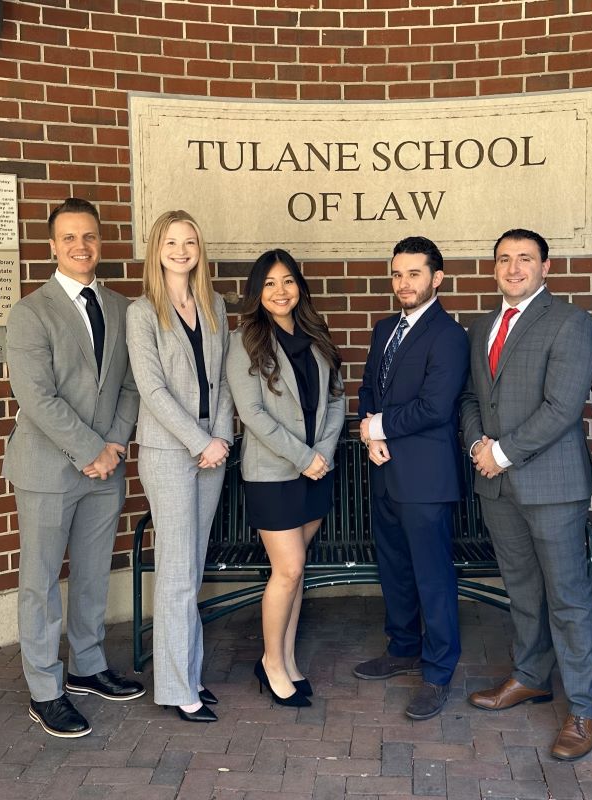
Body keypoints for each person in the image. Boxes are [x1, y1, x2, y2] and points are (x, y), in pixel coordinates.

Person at [3, 198, 144, 738]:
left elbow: (129, 385)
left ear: (100, 241)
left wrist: (112, 444)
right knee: (40, 581)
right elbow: (35, 396)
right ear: (52, 246)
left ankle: (87, 665)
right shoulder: (30, 311)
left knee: (91, 574)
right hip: (47, 469)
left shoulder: (121, 306)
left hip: (104, 469)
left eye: (89, 236)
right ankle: (45, 688)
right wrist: (90, 449)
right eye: (69, 238)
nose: (80, 246)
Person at [460, 229, 592, 760]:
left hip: (551, 485)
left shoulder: (569, 323)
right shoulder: (481, 327)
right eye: (504, 259)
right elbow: (472, 396)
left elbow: (563, 408)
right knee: (522, 591)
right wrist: (478, 443)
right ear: (493, 267)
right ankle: (530, 676)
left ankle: (585, 707)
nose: (514, 268)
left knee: (568, 598)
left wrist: (503, 452)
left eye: (525, 259)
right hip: (498, 487)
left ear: (546, 267)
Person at [354, 236, 469, 721]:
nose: (404, 283)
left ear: (436, 278)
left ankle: (438, 670)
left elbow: (435, 407)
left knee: (432, 577)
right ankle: (402, 647)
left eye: (414, 274)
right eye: (397, 274)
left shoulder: (449, 335)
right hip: (384, 470)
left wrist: (377, 425)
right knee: (395, 569)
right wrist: (368, 432)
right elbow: (366, 388)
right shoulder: (384, 328)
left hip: (426, 478)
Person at [126, 210, 233, 723]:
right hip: (171, 452)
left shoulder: (214, 305)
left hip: (213, 451)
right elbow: (152, 391)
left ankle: (187, 673)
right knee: (176, 571)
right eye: (172, 241)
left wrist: (222, 439)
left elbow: (228, 380)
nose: (182, 249)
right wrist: (198, 441)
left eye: (190, 240)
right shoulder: (142, 311)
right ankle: (176, 687)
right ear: (157, 248)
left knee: (192, 565)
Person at [226, 249, 345, 707]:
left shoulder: (316, 334)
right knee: (289, 568)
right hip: (274, 473)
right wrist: (302, 456)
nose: (281, 291)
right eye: (270, 283)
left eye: (289, 281)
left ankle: (288, 657)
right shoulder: (246, 341)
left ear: (300, 287)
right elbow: (251, 413)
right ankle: (270, 663)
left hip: (316, 470)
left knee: (297, 572)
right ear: (258, 291)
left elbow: (336, 398)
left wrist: (323, 454)